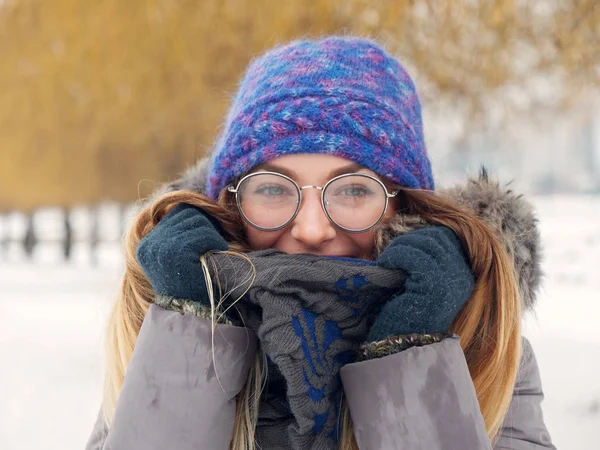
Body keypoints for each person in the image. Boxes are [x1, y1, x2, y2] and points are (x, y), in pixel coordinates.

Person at [85, 36, 556, 450]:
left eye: (353, 190)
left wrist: (413, 356)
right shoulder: (157, 334)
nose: (311, 228)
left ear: (404, 207)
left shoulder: (480, 345)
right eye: (272, 188)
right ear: (231, 203)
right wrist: (191, 340)